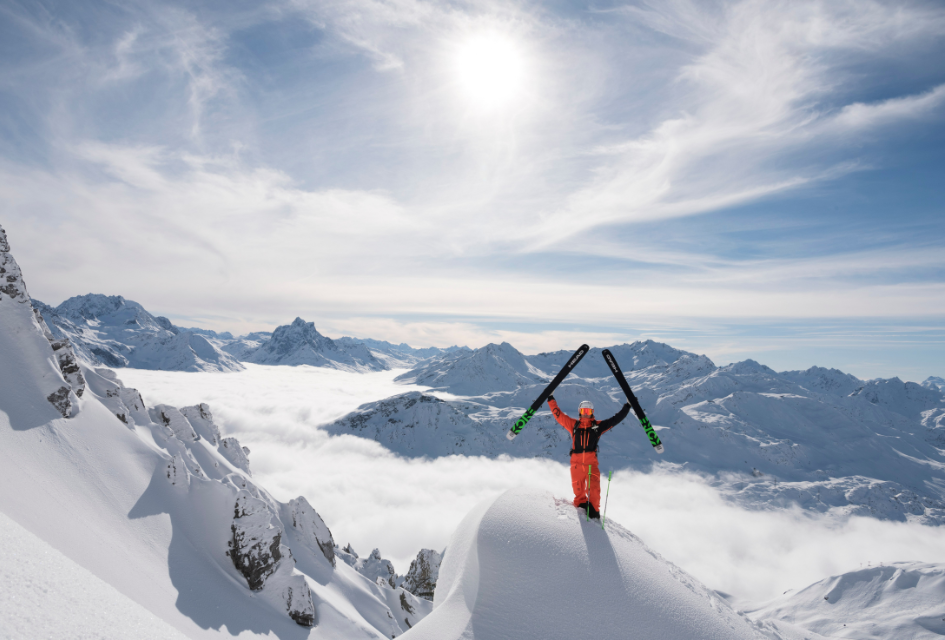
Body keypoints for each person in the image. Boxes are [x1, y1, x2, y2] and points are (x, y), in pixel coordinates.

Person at [548, 396, 630, 520]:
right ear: (579, 412)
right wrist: (551, 400)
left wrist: (627, 406)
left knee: (594, 489)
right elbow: (559, 416)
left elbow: (615, 420)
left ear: (592, 413)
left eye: (588, 411)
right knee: (578, 490)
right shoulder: (574, 425)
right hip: (576, 464)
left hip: (592, 463)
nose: (586, 414)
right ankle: (580, 512)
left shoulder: (598, 426)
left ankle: (594, 513)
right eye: (583, 411)